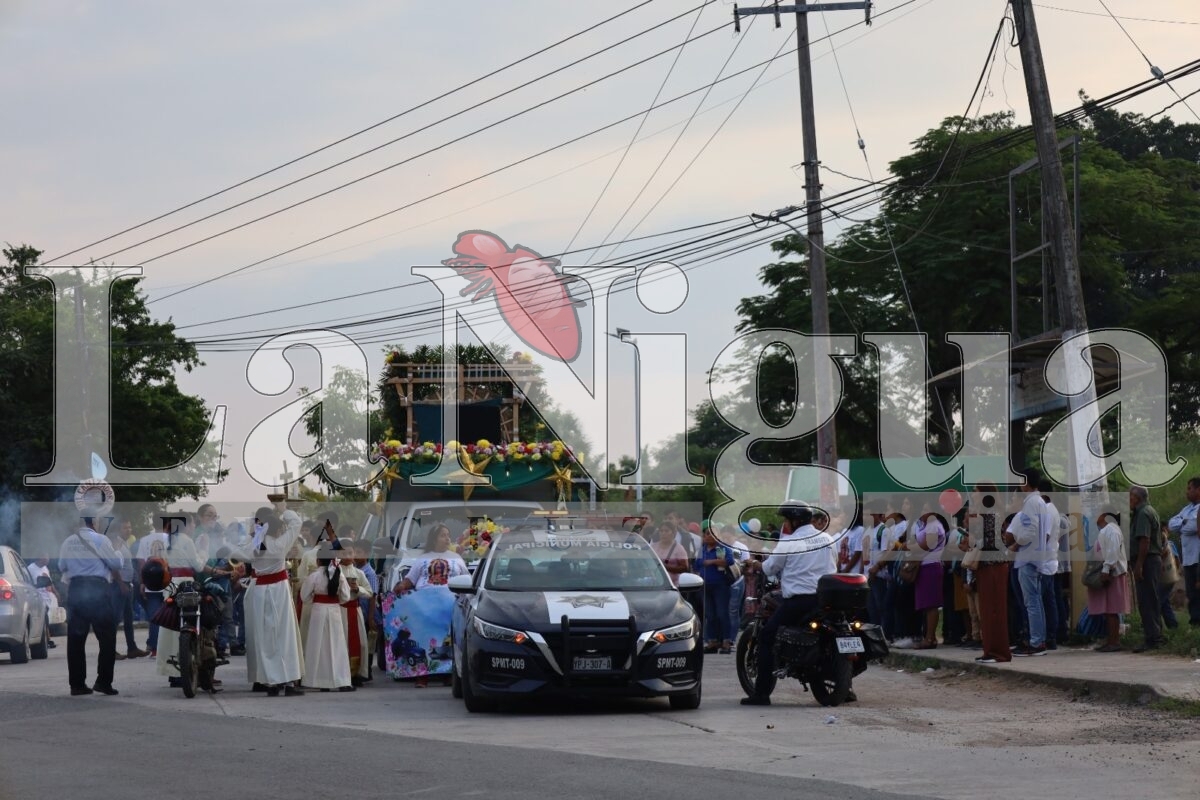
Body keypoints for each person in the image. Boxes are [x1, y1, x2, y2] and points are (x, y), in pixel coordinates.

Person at [741, 500, 837, 706]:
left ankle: (761, 694)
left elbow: (770, 568)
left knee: (766, 636)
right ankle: (846, 688)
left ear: (794, 521)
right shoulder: (827, 538)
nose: (784, 524)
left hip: (800, 601)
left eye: (786, 519)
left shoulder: (789, 541)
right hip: (826, 599)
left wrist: (755, 564)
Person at [393, 523, 468, 687]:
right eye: (443, 535)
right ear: (434, 539)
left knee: (447, 640)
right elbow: (410, 580)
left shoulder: (456, 558)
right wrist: (400, 586)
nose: (447, 538)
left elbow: (467, 580)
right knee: (424, 640)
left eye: (448, 535)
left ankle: (448, 675)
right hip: (426, 609)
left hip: (449, 607)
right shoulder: (422, 559)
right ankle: (422, 676)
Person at [58, 509, 123, 696]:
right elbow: (116, 564)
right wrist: (117, 550)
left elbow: (62, 566)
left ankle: (77, 685)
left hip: (77, 591)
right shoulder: (102, 540)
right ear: (94, 521)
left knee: (76, 640)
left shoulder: (68, 541)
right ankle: (103, 682)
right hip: (98, 591)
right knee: (107, 639)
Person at [245, 507, 305, 696]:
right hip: (278, 590)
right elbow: (297, 523)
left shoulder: (253, 544)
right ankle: (287, 681)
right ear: (277, 530)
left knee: (265, 637)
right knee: (283, 635)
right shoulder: (279, 545)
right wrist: (284, 510)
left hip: (260, 592)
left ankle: (271, 682)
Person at [1002, 468, 1054, 657]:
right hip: (1037, 556)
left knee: (1031, 602)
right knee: (1036, 601)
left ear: (1026, 482)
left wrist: (1016, 544)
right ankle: (1038, 639)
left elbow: (1029, 530)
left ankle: (1036, 642)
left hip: (1028, 556)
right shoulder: (1039, 502)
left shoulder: (1031, 503)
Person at [155, 512, 209, 687]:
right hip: (186, 584)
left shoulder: (166, 540)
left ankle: (173, 671)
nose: (194, 527)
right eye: (193, 523)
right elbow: (198, 565)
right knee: (187, 624)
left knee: (170, 627)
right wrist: (204, 550)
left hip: (170, 584)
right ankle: (185, 668)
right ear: (185, 525)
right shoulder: (186, 540)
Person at [299, 551, 354, 692]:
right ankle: (341, 680)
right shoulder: (339, 574)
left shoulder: (314, 576)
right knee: (337, 646)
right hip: (334, 610)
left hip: (318, 611)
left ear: (318, 561)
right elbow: (346, 596)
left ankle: (320, 680)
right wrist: (336, 600)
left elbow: (304, 596)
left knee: (318, 645)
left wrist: (315, 600)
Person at [970, 483, 1011, 664]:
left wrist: (972, 543)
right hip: (987, 566)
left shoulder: (991, 514)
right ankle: (990, 650)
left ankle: (998, 651)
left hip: (993, 565)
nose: (973, 495)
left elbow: (989, 541)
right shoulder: (986, 513)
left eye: (976, 491)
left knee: (994, 609)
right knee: (987, 610)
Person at [1128, 485, 1166, 653]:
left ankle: (1153, 638)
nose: (1129, 500)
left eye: (1130, 496)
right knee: (1152, 598)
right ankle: (1156, 634)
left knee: (1147, 600)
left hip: (1147, 560)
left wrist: (1139, 565)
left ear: (1136, 497)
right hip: (1151, 560)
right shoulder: (1149, 510)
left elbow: (1145, 541)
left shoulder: (1143, 513)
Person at [1088, 512, 1131, 653]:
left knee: (1111, 609)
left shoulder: (1112, 530)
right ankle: (1112, 640)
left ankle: (1114, 641)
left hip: (1112, 574)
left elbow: (1113, 552)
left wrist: (1106, 569)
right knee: (1108, 610)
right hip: (1109, 572)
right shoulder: (1108, 530)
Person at [107, 518, 145, 660]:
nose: (129, 530)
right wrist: (121, 584)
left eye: (130, 527)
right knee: (115, 619)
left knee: (128, 619)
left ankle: (132, 648)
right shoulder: (115, 544)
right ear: (118, 530)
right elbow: (113, 566)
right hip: (118, 586)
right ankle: (109, 650)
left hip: (127, 585)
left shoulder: (124, 543)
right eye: (125, 528)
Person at [693, 528, 735, 654]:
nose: (709, 537)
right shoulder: (701, 549)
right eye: (707, 534)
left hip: (720, 585)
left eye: (713, 534)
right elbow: (697, 563)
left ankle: (726, 641)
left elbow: (729, 561)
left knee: (722, 614)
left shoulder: (722, 548)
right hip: (705, 585)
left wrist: (711, 561)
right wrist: (714, 561)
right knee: (709, 615)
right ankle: (712, 641)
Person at [911, 509, 946, 650]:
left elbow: (926, 545)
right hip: (924, 566)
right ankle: (929, 636)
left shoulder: (934, 525)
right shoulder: (924, 526)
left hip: (931, 565)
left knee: (931, 604)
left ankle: (930, 638)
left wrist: (909, 546)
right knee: (926, 604)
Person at [1167, 476, 1200, 627]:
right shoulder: (1187, 509)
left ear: (1198, 490)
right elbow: (1171, 524)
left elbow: (1193, 527)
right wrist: (1184, 523)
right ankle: (1195, 622)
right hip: (1188, 559)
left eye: (1190, 488)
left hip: (1198, 557)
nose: (1187, 492)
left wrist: (1184, 524)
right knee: (1192, 593)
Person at [27, 555, 60, 650]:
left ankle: (47, 639)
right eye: (46, 557)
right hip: (38, 598)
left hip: (47, 597)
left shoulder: (45, 568)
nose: (48, 559)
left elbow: (49, 582)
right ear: (40, 557)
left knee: (46, 620)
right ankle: (47, 640)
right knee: (44, 619)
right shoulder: (31, 569)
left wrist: (55, 592)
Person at [650, 522, 691, 587]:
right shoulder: (653, 547)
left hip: (671, 586)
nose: (663, 533)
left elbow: (685, 568)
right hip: (653, 585)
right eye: (661, 531)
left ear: (673, 533)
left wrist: (665, 567)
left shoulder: (679, 549)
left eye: (666, 531)